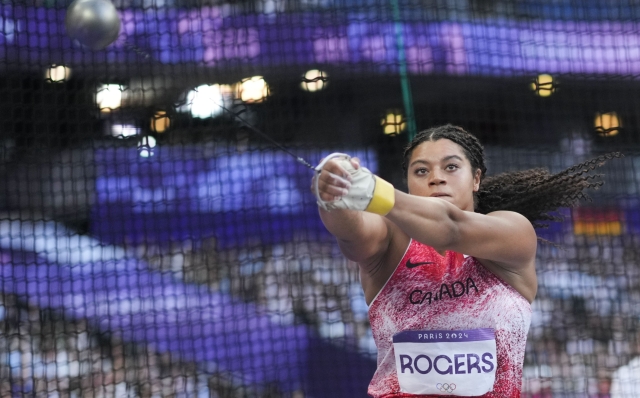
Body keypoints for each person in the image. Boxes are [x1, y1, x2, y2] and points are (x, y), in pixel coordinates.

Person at [312, 124, 619, 397]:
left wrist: (377, 193)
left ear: (476, 179)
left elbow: (451, 227)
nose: (435, 179)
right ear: (408, 184)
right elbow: (350, 231)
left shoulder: (513, 232)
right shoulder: (390, 242)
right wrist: (332, 194)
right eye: (421, 171)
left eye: (451, 167)